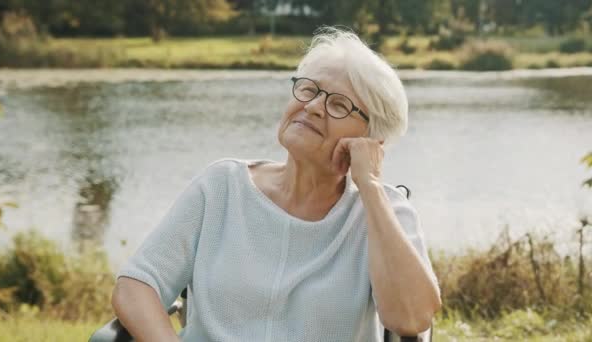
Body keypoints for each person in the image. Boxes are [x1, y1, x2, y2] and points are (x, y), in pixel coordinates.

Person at [111, 26, 442, 342]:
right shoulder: (221, 187)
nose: (312, 107)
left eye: (339, 104)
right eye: (309, 89)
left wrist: (368, 185)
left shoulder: (383, 210)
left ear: (371, 139)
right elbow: (137, 285)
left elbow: (411, 320)